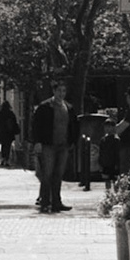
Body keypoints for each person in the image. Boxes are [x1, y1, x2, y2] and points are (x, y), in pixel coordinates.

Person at [28, 79, 74, 213]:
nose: (61, 93)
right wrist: (37, 142)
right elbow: (36, 125)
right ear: (54, 91)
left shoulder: (69, 108)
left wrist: (71, 142)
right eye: (59, 90)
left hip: (63, 145)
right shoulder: (45, 107)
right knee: (47, 174)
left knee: (58, 174)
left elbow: (73, 126)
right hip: (48, 145)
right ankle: (45, 201)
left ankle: (56, 202)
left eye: (64, 91)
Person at [0, 98, 19, 166]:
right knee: (8, 146)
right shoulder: (11, 114)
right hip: (9, 133)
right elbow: (14, 123)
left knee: (3, 146)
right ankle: (7, 159)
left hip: (2, 133)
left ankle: (3, 158)